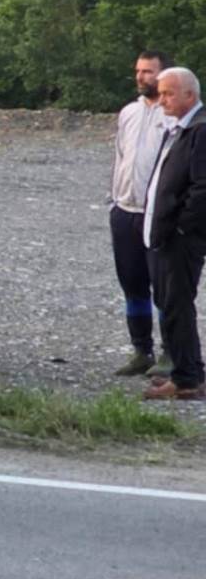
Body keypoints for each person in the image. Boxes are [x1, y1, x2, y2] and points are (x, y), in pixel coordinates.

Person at [109, 50, 174, 376]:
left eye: (148, 72)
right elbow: (120, 157)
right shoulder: (128, 113)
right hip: (125, 211)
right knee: (132, 283)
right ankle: (141, 351)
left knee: (164, 286)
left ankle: (170, 352)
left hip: (157, 215)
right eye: (138, 71)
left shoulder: (173, 115)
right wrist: (114, 199)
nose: (141, 77)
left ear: (163, 75)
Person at [143, 66, 206, 400]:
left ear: (189, 96)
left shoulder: (199, 130)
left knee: (178, 305)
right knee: (170, 304)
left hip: (181, 238)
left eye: (168, 93)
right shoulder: (180, 128)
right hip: (166, 235)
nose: (161, 98)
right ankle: (191, 371)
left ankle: (185, 379)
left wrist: (182, 226)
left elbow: (202, 188)